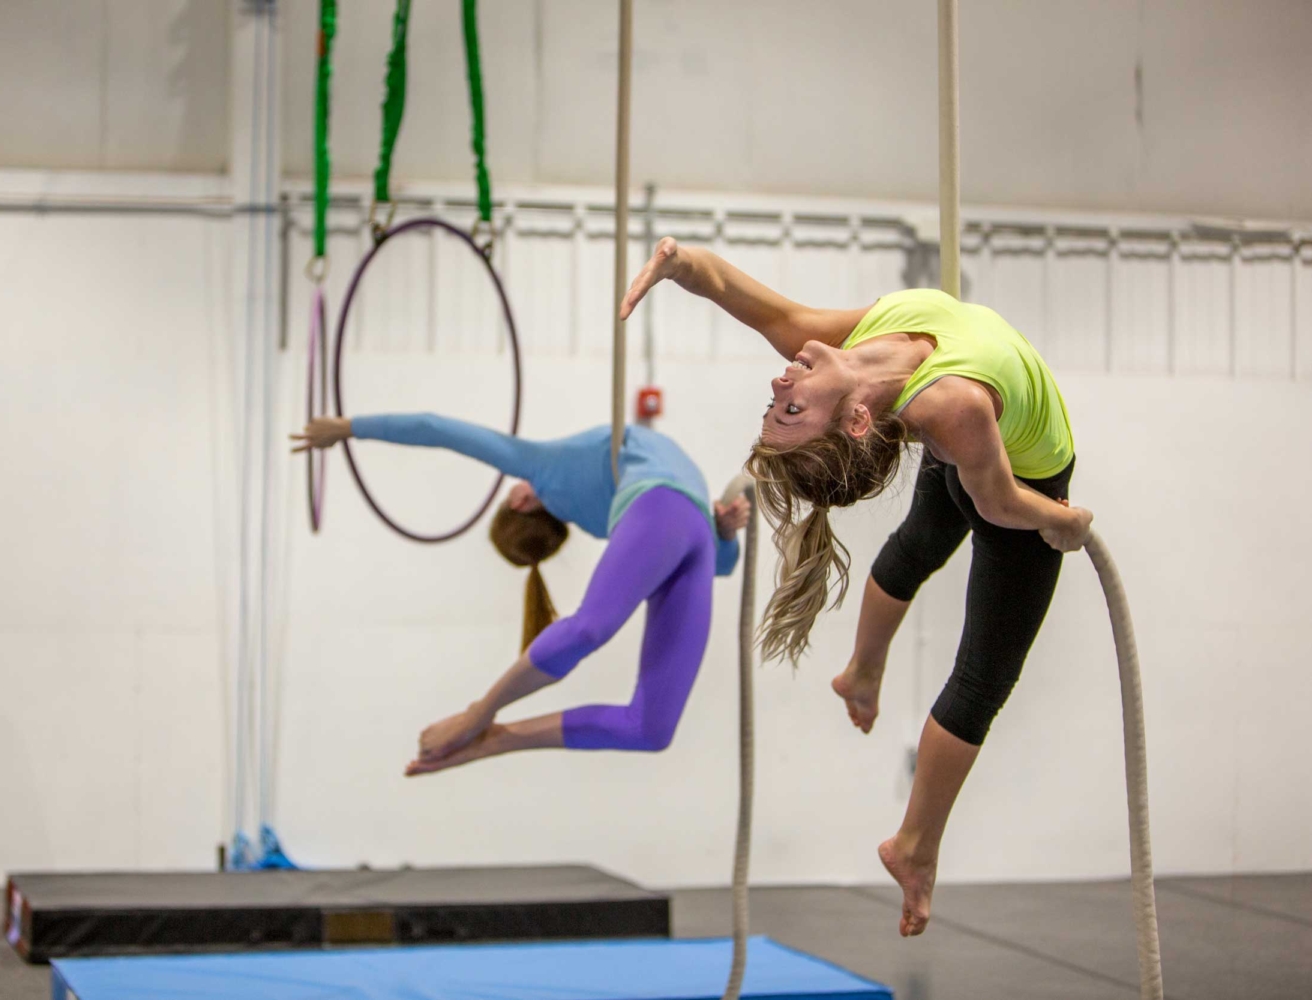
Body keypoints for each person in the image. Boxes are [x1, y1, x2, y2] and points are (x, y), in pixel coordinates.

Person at [621, 237, 1093, 938]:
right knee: (983, 676)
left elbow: (750, 300)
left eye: (773, 407)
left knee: (919, 544)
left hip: (967, 452)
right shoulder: (954, 405)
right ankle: (914, 847)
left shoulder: (847, 353)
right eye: (790, 411)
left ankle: (862, 672)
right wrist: (1062, 519)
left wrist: (677, 265)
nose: (779, 387)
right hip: (1018, 476)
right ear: (854, 421)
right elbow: (998, 502)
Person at [290, 413, 750, 776]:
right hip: (683, 527)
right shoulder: (546, 474)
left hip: (680, 526)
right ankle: (494, 731)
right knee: (626, 689)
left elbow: (718, 562)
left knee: (635, 704)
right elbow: (441, 428)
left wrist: (351, 429)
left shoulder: (593, 503)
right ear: (520, 502)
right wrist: (347, 428)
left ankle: (482, 720)